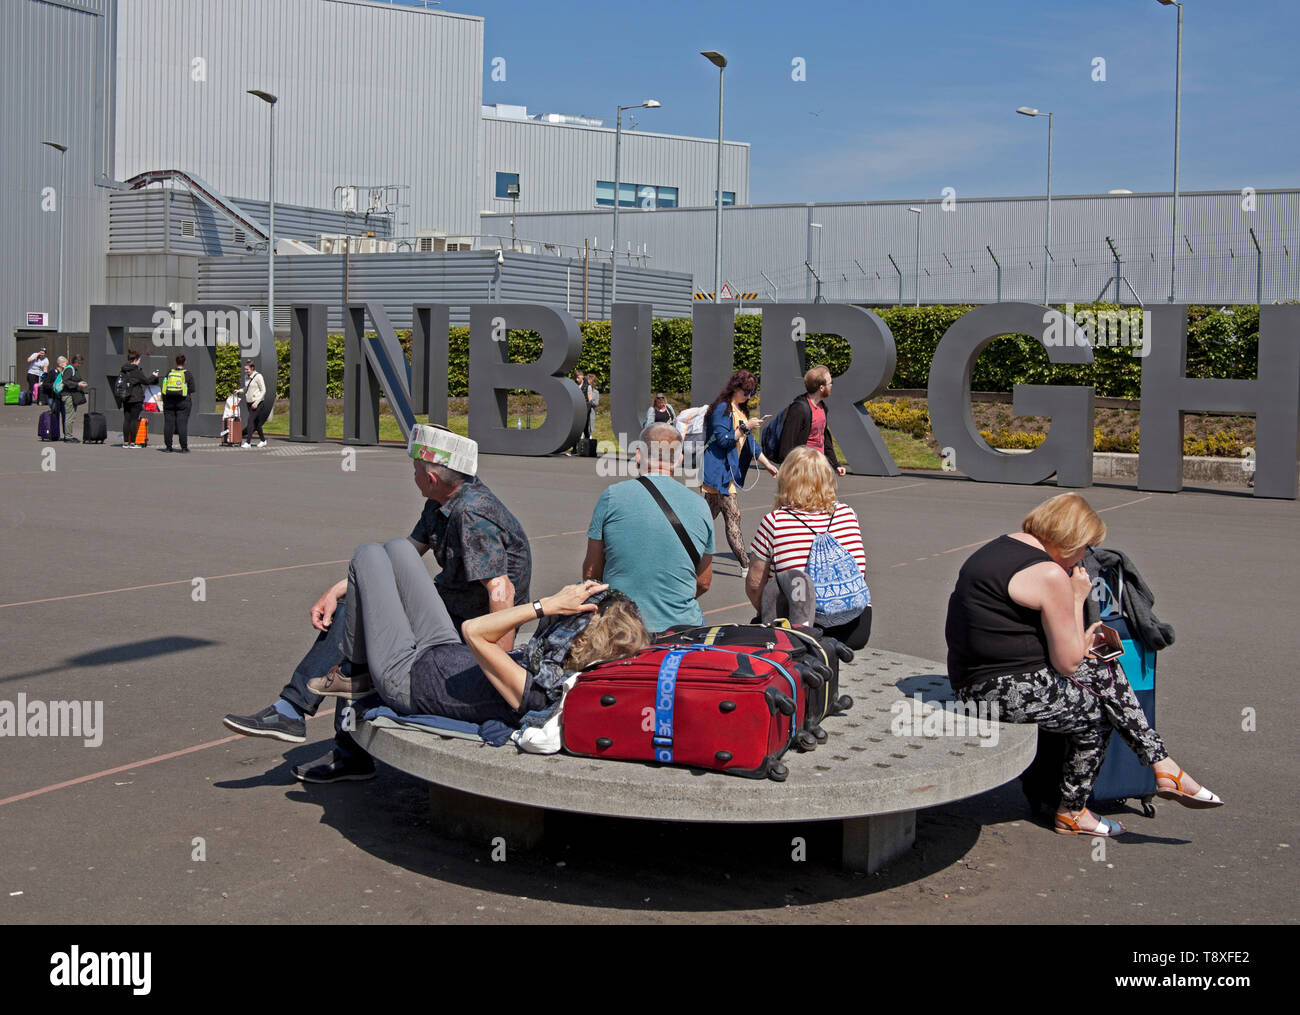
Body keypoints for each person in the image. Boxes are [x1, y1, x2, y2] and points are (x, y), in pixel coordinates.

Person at [223, 425, 534, 782]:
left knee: (363, 631)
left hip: (464, 629)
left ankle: (310, 723)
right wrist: (338, 589)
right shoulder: (444, 501)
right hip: (447, 610)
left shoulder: (472, 515)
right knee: (356, 608)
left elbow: (502, 592)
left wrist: (498, 671)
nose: (412, 473)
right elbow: (407, 553)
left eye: (415, 468)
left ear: (432, 476)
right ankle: (304, 717)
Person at [944, 492, 1223, 837]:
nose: (1085, 556)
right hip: (997, 691)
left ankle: (1162, 765)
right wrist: (1077, 597)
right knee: (1095, 716)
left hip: (973, 679)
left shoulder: (1002, 546)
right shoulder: (1049, 574)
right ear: (1071, 539)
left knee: (1105, 670)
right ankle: (1077, 808)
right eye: (1086, 547)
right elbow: (1068, 662)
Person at [304, 557, 648, 738]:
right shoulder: (557, 668)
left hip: (407, 677)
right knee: (398, 551)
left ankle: (356, 674)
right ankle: (358, 673)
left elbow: (474, 631)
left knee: (367, 558)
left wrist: (546, 605)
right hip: (440, 651)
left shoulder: (541, 693)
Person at [583, 423, 713, 633]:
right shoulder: (701, 505)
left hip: (621, 626)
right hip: (681, 628)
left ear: (638, 455)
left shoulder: (612, 496)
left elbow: (592, 571)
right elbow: (704, 582)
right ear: (679, 459)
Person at [745, 447, 872, 649]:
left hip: (800, 627)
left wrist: (768, 614)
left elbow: (754, 584)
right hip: (855, 622)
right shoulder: (847, 513)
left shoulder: (776, 521)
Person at [700, 369, 779, 568]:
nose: (749, 396)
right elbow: (723, 440)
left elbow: (750, 443)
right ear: (735, 388)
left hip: (725, 472)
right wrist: (745, 427)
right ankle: (745, 564)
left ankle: (685, 549)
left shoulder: (740, 411)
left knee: (706, 519)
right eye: (746, 392)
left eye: (751, 393)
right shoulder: (721, 409)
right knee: (734, 517)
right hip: (719, 471)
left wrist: (768, 464)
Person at [776, 365, 847, 476]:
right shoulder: (799, 409)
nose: (832, 385)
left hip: (819, 467)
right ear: (821, 388)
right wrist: (788, 472)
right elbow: (787, 442)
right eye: (830, 382)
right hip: (803, 469)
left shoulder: (822, 407)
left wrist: (836, 465)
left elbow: (824, 439)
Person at [158, 353, 196, 453]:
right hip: (183, 402)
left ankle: (168, 447)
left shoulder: (169, 372)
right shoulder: (187, 374)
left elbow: (164, 387)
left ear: (176, 362)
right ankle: (183, 447)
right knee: (182, 424)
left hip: (169, 401)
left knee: (168, 424)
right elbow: (192, 389)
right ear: (185, 362)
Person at [117, 349, 151, 447]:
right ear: (136, 359)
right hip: (136, 398)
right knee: (134, 420)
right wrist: (154, 375)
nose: (140, 361)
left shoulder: (123, 369)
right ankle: (133, 442)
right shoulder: (136, 371)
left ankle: (125, 442)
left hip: (125, 397)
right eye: (139, 359)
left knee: (126, 419)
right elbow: (146, 381)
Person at [59, 355, 89, 443]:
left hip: (71, 395)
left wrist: (80, 382)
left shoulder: (73, 369)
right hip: (68, 395)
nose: (79, 365)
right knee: (69, 416)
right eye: (79, 363)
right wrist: (78, 384)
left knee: (71, 416)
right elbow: (65, 381)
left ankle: (69, 435)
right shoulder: (69, 369)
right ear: (75, 362)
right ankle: (68, 437)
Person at [241, 360, 269, 448]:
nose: (245, 371)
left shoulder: (258, 376)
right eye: (245, 369)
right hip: (249, 403)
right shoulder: (246, 377)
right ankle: (263, 440)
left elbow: (263, 390)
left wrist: (257, 402)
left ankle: (248, 442)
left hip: (257, 403)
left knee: (250, 421)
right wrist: (239, 390)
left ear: (252, 368)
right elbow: (246, 389)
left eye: (247, 369)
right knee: (256, 423)